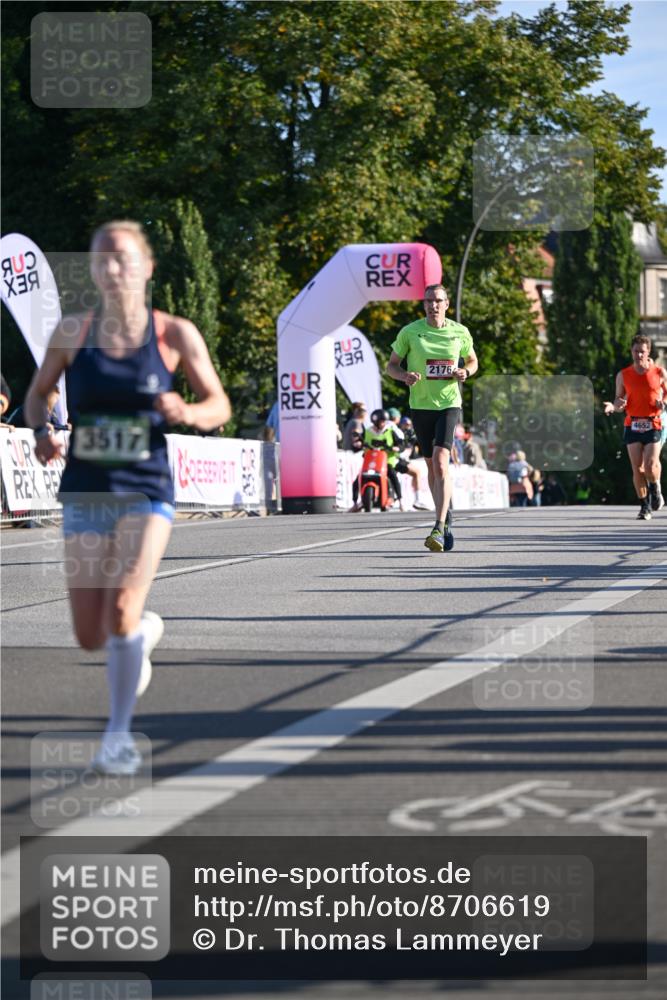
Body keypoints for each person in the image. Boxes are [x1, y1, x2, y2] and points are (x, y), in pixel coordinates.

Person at [24, 220, 231, 774]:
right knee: (91, 634)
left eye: (123, 258)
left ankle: (118, 736)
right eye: (101, 260)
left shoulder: (174, 335)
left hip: (146, 488)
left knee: (118, 607)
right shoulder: (72, 331)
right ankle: (140, 634)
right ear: (92, 270)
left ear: (147, 267)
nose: (112, 269)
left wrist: (186, 412)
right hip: (86, 489)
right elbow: (38, 396)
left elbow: (219, 405)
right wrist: (45, 431)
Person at [387, 284, 478, 551]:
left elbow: (472, 361)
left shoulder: (459, 332)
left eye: (438, 300)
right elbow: (392, 365)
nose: (433, 305)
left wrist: (466, 373)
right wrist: (404, 375)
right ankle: (445, 514)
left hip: (449, 403)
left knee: (441, 462)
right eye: (428, 301)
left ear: (447, 304)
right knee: (430, 466)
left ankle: (438, 526)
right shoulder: (410, 332)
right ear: (424, 304)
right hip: (421, 405)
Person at [603, 334, 667, 519]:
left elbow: (666, 395)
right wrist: (613, 406)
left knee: (650, 465)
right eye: (636, 351)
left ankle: (655, 488)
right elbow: (619, 399)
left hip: (653, 423)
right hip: (632, 424)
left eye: (643, 352)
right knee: (637, 468)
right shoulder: (623, 375)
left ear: (649, 352)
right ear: (631, 351)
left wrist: (663, 403)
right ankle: (644, 506)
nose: (639, 355)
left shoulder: (660, 372)